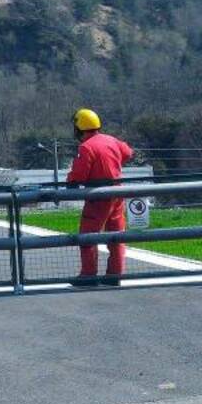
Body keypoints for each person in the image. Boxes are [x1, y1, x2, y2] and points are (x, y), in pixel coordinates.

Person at [66, 108, 133, 287]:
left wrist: (70, 180)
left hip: (98, 197)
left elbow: (79, 175)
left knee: (87, 236)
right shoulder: (111, 140)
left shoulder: (86, 147)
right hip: (117, 194)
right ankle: (115, 275)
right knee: (116, 236)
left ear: (80, 128)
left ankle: (88, 276)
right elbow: (128, 153)